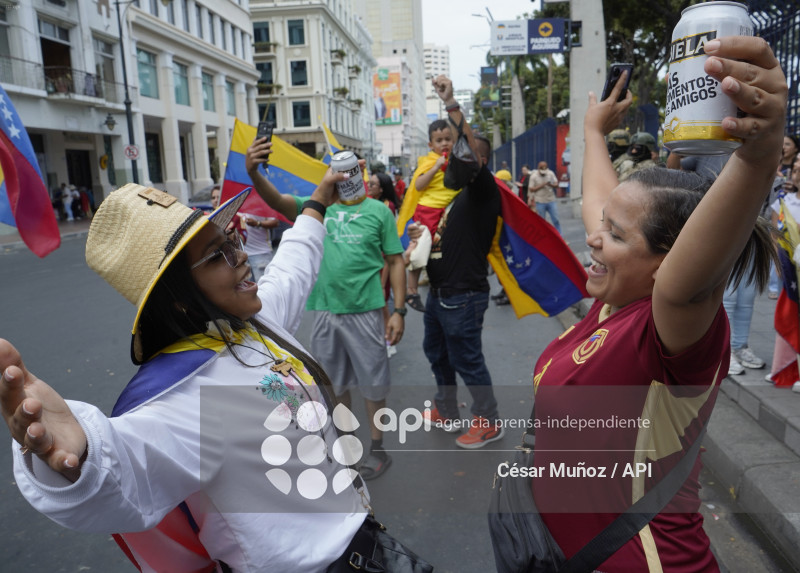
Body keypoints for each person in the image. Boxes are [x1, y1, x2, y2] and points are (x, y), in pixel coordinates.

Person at [0, 175, 388, 570]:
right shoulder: (186, 397)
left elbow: (293, 266)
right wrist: (81, 453)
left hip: (368, 542)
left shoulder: (252, 324)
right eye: (217, 255)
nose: (240, 256)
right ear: (179, 300)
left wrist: (318, 200)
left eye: (232, 241)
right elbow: (126, 467)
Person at [523, 37, 784, 570]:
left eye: (615, 236)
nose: (593, 238)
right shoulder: (616, 294)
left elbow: (687, 275)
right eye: (603, 225)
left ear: (669, 263)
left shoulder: (671, 324)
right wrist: (593, 130)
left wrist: (761, 152)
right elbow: (604, 205)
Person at [245, 138, 407, 480]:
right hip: (324, 311)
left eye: (351, 172)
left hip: (366, 310)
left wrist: (399, 310)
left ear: (359, 173)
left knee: (374, 383)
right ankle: (348, 445)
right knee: (334, 384)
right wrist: (254, 173)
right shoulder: (317, 207)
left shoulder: (379, 211)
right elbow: (277, 201)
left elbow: (395, 261)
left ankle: (378, 448)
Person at [411, 74, 504, 450]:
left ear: (480, 161)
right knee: (437, 354)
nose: (454, 155)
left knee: (467, 360)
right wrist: (422, 237)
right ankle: (446, 410)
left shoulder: (483, 190)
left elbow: (465, 146)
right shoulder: (453, 195)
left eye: (463, 150)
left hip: (463, 295)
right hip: (439, 293)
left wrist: (450, 103)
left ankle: (489, 421)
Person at [401, 118, 460, 312]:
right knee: (421, 248)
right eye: (439, 140)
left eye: (448, 139)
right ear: (430, 144)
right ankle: (411, 291)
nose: (444, 143)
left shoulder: (456, 161)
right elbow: (418, 185)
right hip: (428, 211)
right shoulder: (429, 162)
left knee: (438, 249)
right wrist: (435, 167)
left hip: (445, 211)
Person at [239, 212, 279, 281]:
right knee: (250, 287)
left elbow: (275, 222)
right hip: (243, 256)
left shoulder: (261, 206)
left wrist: (257, 223)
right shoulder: (234, 207)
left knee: (265, 284)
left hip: (261, 253)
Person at [527, 161, 561, 234]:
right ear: (538, 168)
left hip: (551, 200)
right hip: (540, 201)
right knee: (542, 222)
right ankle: (544, 236)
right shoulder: (534, 176)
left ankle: (560, 236)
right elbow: (531, 189)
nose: (543, 173)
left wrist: (550, 185)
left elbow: (557, 185)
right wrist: (542, 185)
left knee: (556, 220)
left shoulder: (550, 173)